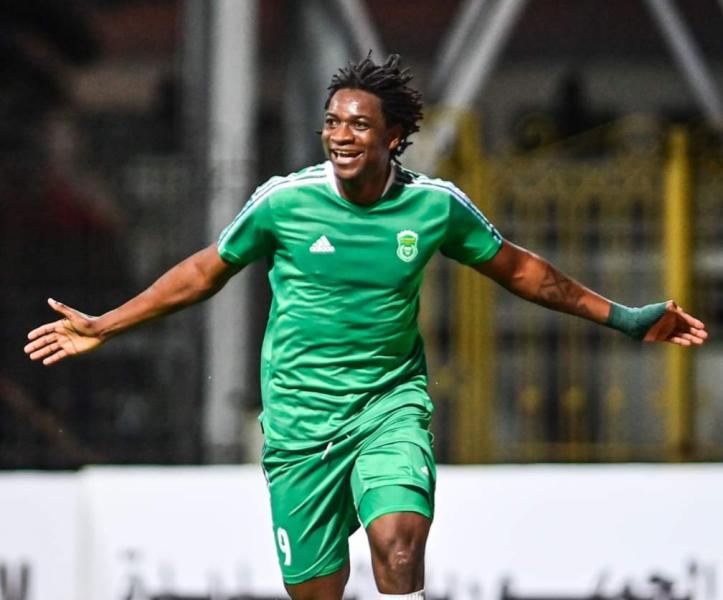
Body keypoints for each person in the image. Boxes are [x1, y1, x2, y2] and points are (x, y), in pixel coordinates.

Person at [24, 54, 708, 600]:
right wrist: (106, 325)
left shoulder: (435, 208)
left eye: (356, 125)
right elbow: (204, 271)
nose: (340, 136)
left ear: (394, 137)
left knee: (399, 542)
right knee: (316, 589)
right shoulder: (285, 203)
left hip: (388, 407)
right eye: (332, 123)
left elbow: (522, 271)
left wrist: (625, 318)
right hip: (298, 425)